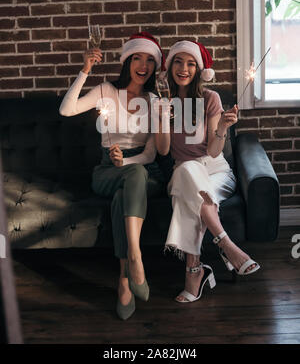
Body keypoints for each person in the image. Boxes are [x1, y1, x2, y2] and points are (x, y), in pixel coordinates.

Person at [59, 31, 165, 320]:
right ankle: (135, 258)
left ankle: (124, 275)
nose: (143, 65)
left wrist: (127, 161)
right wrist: (85, 70)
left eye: (149, 61)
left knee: (129, 186)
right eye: (137, 58)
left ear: (155, 67)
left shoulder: (155, 101)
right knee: (130, 180)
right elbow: (66, 109)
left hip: (144, 170)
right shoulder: (106, 91)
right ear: (127, 61)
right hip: (107, 170)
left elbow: (152, 154)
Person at [154, 40, 260, 304]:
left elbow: (214, 152)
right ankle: (226, 244)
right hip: (183, 170)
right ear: (169, 67)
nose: (184, 68)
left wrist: (223, 127)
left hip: (215, 170)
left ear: (199, 69)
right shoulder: (163, 102)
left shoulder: (210, 98)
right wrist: (161, 118)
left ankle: (195, 272)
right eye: (178, 62)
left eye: (191, 63)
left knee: (189, 197)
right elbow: (164, 150)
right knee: (188, 171)